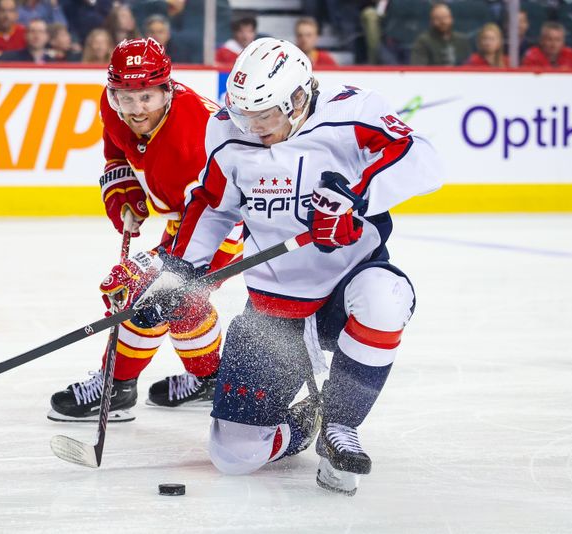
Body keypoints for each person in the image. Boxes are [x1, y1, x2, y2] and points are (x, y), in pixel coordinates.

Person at [116, 38, 442, 494]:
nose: (252, 126)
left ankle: (340, 425)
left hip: (343, 291)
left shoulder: (352, 112)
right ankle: (306, 423)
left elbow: (421, 158)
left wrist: (356, 196)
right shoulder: (230, 129)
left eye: (263, 116)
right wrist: (177, 274)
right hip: (275, 310)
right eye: (244, 114)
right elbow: (212, 204)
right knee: (234, 456)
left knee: (385, 298)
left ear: (297, 100)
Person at [48, 38, 242, 423]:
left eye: (147, 98)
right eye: (126, 98)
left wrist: (159, 273)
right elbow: (117, 149)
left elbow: (219, 211)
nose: (137, 110)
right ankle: (209, 380)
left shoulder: (199, 135)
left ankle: (116, 386)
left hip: (225, 220)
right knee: (166, 296)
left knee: (154, 293)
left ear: (167, 91)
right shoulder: (113, 105)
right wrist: (124, 190)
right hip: (185, 215)